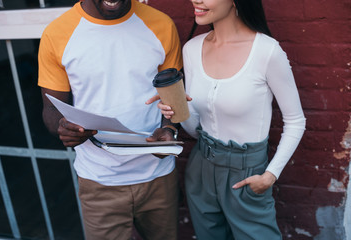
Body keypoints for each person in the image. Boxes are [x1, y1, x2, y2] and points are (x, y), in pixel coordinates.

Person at [147, 0, 306, 239]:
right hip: (201, 166)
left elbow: (295, 120)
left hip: (247, 173)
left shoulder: (266, 51)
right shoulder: (191, 48)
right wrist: (176, 108)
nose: (196, 0)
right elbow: (195, 129)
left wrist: (270, 175)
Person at [38, 0, 182, 239]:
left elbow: (174, 97)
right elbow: (50, 109)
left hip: (158, 177)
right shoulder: (57, 33)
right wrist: (63, 127)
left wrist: (168, 129)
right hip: (98, 181)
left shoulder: (161, 24)